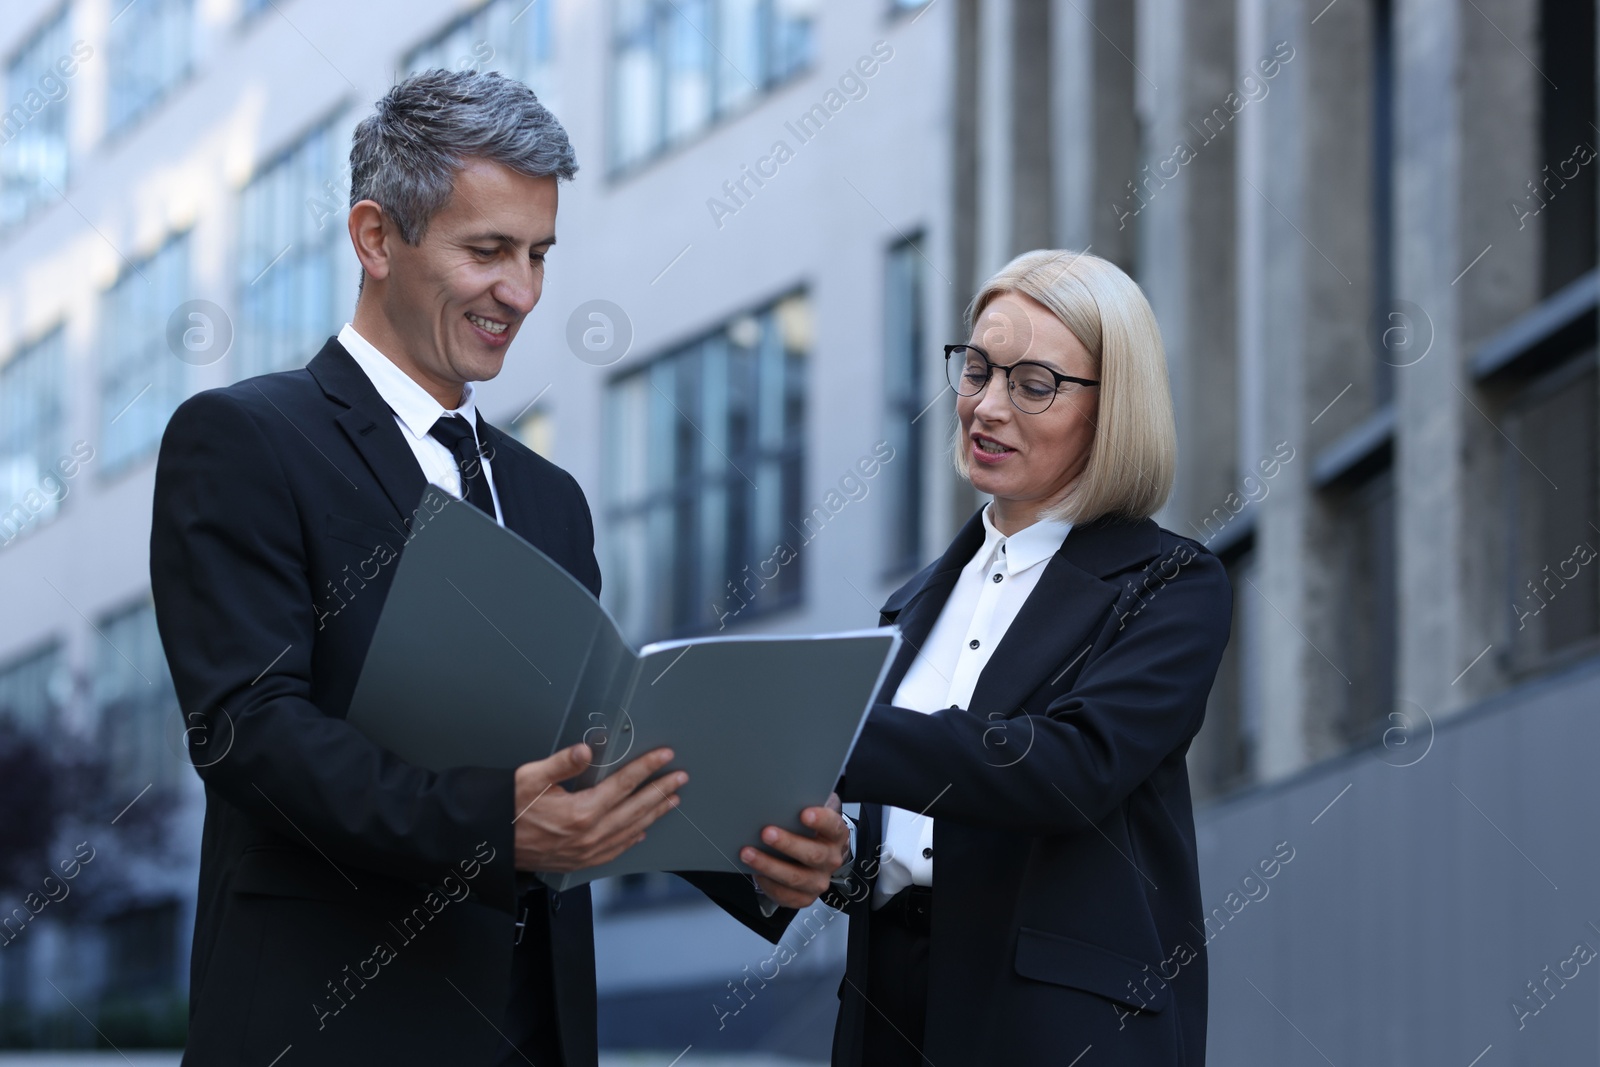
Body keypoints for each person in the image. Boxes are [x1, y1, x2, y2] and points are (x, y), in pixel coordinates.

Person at [150, 70, 847, 1067]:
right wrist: (498, 825)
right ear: (376, 237)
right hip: (333, 1027)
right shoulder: (244, 440)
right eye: (487, 251)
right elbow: (252, 732)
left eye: (537, 254)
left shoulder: (549, 494)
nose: (519, 292)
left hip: (535, 1030)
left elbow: (594, 745)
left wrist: (763, 861)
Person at [827, 250, 1231, 1065]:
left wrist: (828, 730)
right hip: (888, 1017)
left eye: (1033, 383)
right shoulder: (911, 605)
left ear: (1110, 408)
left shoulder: (1169, 583)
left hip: (1058, 1028)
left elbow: (1071, 767)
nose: (986, 406)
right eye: (976, 368)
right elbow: (901, 840)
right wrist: (833, 857)